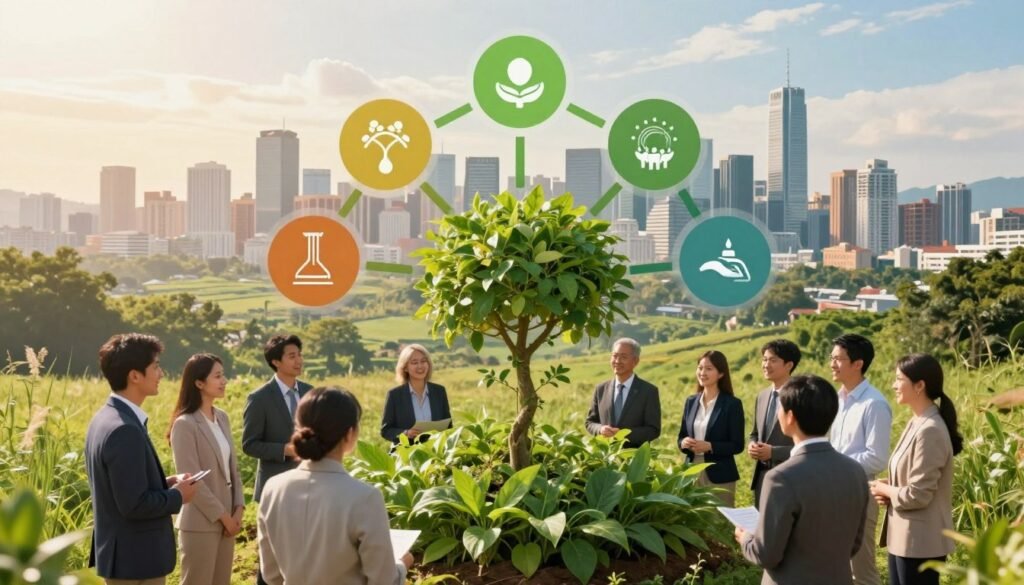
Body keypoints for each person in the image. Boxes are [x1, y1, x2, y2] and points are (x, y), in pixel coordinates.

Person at [257, 387, 415, 585]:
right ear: (350, 434)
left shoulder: (273, 488)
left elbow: (271, 575)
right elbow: (383, 580)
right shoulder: (364, 496)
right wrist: (401, 565)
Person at [85, 333, 197, 585]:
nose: (161, 374)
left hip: (126, 557)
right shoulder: (124, 429)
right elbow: (134, 505)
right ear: (134, 376)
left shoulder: (105, 418)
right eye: (155, 367)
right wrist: (178, 496)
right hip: (136, 561)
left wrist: (165, 484)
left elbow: (122, 490)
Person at [737, 375, 869, 585]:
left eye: (780, 408)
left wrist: (745, 537)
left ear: (790, 417)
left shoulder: (780, 477)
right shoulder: (855, 470)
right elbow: (854, 544)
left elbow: (766, 554)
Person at [869, 354, 962, 585]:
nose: (893, 385)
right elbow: (910, 481)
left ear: (920, 385)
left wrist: (886, 490)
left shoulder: (930, 429)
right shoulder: (917, 421)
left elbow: (918, 494)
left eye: (899, 379)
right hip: (903, 538)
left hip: (920, 543)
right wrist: (889, 489)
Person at [242, 334, 312, 585]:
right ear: (275, 362)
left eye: (299, 355)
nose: (298, 360)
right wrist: (285, 450)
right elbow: (250, 444)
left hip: (308, 485)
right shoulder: (260, 398)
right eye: (292, 356)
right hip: (274, 488)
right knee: (271, 558)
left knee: (305, 555)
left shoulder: (310, 392)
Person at [169, 354, 244, 585]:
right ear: (199, 383)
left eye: (223, 375)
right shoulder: (185, 424)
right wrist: (224, 517)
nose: (224, 381)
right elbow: (191, 480)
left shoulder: (222, 417)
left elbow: (233, 469)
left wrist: (239, 509)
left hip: (229, 518)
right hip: (201, 522)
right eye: (218, 376)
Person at [830, 333, 892, 585]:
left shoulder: (874, 404)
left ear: (858, 364)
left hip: (860, 492)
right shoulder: (838, 399)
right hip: (834, 490)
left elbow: (877, 458)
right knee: (838, 567)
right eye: (832, 358)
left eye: (838, 359)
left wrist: (834, 463)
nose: (832, 364)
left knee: (861, 571)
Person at [677, 350, 745, 506]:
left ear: (721, 374)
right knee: (694, 518)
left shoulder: (732, 404)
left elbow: (737, 445)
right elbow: (681, 436)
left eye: (709, 369)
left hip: (720, 474)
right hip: (692, 471)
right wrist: (684, 443)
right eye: (700, 368)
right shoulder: (691, 402)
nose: (702, 373)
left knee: (719, 518)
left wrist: (710, 446)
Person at [748, 339, 801, 509]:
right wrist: (752, 444)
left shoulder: (801, 397)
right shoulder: (762, 396)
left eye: (773, 360)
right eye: (764, 359)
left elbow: (809, 443)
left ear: (789, 365)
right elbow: (755, 433)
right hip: (761, 479)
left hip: (790, 479)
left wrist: (773, 452)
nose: (766, 365)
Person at [585, 338, 661, 448]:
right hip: (605, 455)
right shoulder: (601, 389)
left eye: (623, 357)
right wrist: (600, 429)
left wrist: (623, 434)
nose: (617, 361)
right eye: (614, 356)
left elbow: (653, 430)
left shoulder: (648, 392)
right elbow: (590, 422)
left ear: (635, 361)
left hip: (634, 456)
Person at [380, 344, 452, 443]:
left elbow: (448, 427)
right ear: (405, 367)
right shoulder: (394, 395)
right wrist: (406, 433)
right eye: (414, 362)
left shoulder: (439, 391)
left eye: (423, 361)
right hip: (407, 451)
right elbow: (386, 431)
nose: (420, 366)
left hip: (435, 451)